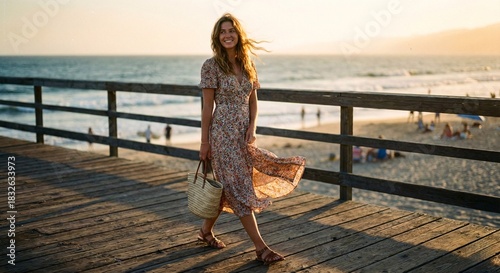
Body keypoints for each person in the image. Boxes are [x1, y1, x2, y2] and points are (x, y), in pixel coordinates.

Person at [198, 13, 306, 265]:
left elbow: (253, 100)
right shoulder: (210, 66)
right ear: (217, 36)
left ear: (238, 35)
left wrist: (252, 128)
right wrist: (205, 143)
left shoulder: (247, 64)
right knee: (239, 188)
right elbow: (206, 108)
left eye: (231, 31)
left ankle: (204, 232)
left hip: (243, 135)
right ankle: (261, 247)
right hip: (222, 135)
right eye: (223, 31)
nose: (227, 35)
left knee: (229, 186)